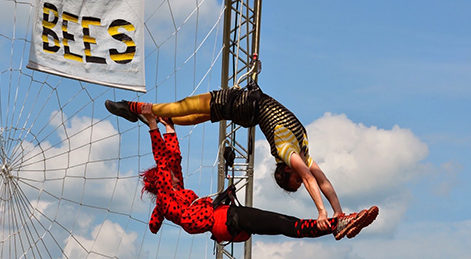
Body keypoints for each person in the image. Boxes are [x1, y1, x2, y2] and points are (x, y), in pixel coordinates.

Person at [105, 82, 358, 231]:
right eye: (299, 180)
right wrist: (328, 212)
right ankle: (134, 110)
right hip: (241, 105)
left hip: (238, 105)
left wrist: (334, 212)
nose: (303, 177)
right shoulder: (290, 150)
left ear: (286, 171)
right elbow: (318, 180)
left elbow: (318, 180)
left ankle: (137, 111)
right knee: (178, 113)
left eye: (297, 180)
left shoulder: (292, 151)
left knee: (178, 111)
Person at [136, 103, 378, 242]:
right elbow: (163, 160)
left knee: (282, 225)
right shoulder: (167, 196)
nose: (176, 175)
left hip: (227, 222)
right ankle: (336, 224)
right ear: (161, 181)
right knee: (282, 223)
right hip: (225, 220)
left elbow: (173, 160)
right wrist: (152, 125)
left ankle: (336, 224)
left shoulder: (173, 196)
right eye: (169, 176)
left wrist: (169, 128)